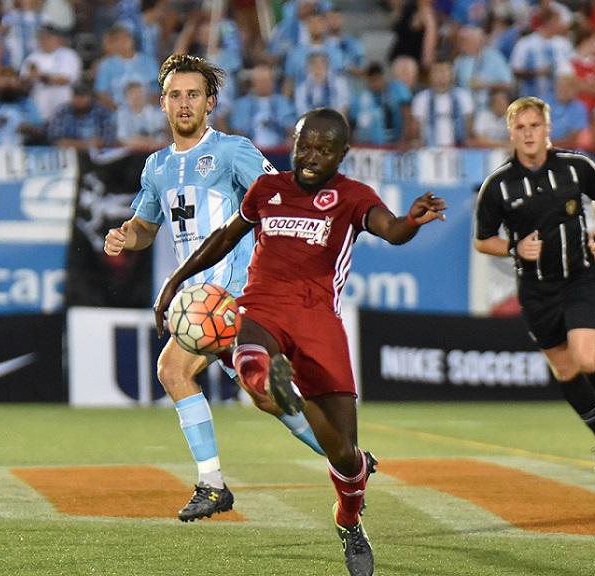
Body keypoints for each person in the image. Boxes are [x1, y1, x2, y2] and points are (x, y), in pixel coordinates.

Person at [153, 107, 446, 576]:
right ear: (292, 141)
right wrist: (175, 280)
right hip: (260, 311)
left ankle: (348, 519)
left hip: (318, 323)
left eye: (324, 150)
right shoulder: (268, 189)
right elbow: (225, 238)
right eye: (304, 145)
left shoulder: (352, 196)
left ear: (342, 154)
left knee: (346, 456)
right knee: (253, 366)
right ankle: (272, 381)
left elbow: (390, 230)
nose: (311, 157)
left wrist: (411, 220)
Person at [102, 54, 328, 523]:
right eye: (175, 96)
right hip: (199, 300)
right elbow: (146, 226)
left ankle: (212, 483)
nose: (184, 104)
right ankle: (347, 457)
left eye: (193, 96)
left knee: (172, 369)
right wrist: (127, 235)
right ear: (162, 104)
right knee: (267, 395)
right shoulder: (156, 167)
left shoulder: (231, 150)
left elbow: (277, 198)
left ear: (210, 104)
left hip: (236, 290)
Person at [473, 96, 595, 472]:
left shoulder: (574, 166)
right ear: (511, 133)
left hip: (579, 277)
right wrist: (515, 248)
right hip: (536, 290)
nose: (528, 133)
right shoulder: (498, 185)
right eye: (521, 127)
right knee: (566, 370)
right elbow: (483, 240)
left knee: (586, 357)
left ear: (548, 129)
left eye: (535, 125)